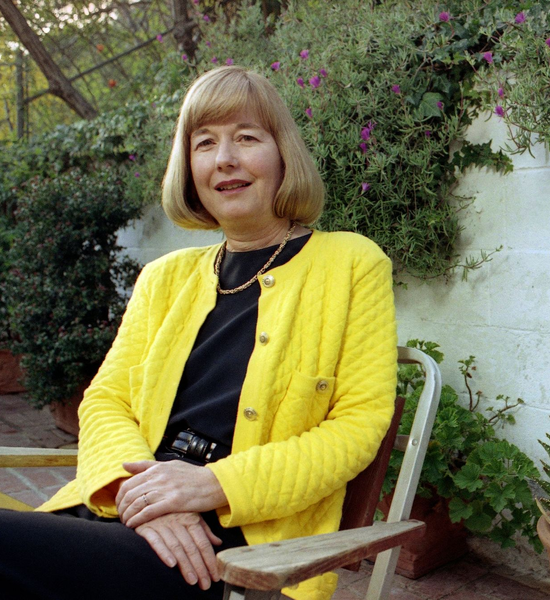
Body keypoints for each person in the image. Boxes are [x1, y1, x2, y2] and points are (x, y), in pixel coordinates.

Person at [0, 66, 397, 600]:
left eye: (247, 138)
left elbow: (356, 427)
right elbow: (105, 401)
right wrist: (143, 499)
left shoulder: (350, 263)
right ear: (188, 167)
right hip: (131, 518)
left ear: (283, 154)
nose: (224, 159)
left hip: (228, 551)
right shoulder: (164, 278)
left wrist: (208, 486)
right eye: (204, 142)